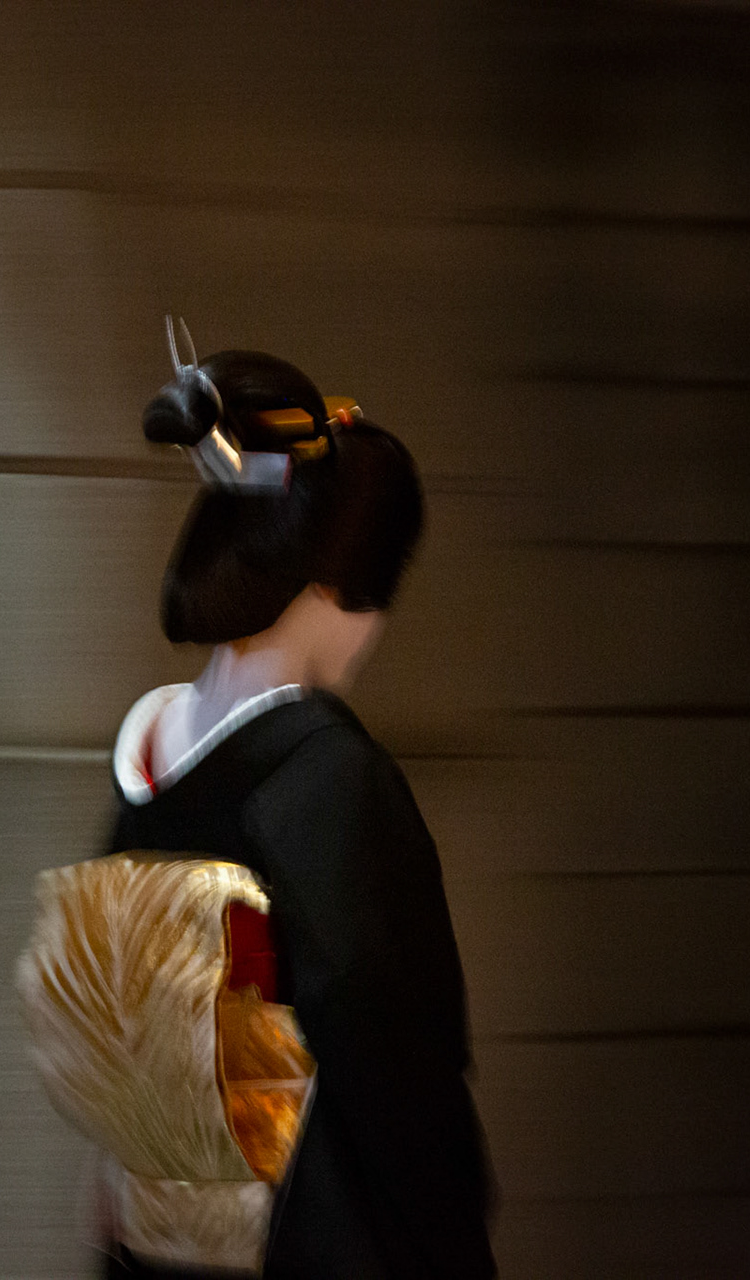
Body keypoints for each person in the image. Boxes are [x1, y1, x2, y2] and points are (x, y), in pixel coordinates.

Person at [80, 326, 493, 1277]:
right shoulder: (329, 783)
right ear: (340, 582)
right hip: (319, 1239)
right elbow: (397, 1070)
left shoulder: (151, 757)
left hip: (160, 1236)